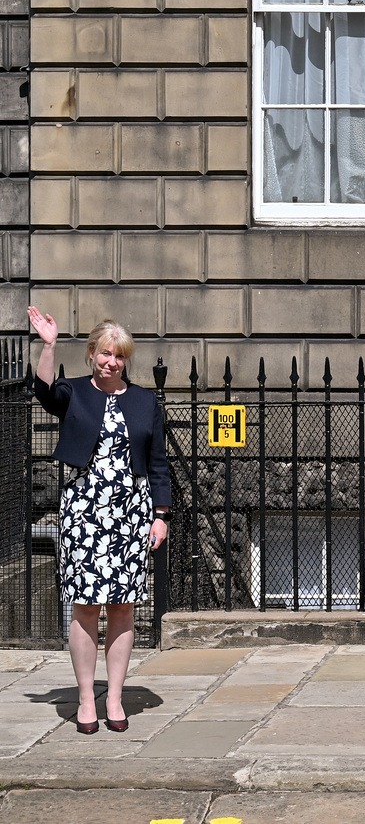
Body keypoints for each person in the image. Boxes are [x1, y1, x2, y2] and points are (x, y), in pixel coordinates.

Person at [25, 308, 171, 735]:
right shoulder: (74, 393)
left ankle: (114, 697)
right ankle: (87, 698)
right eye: (106, 354)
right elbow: (43, 391)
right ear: (92, 354)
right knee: (85, 607)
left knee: (122, 608)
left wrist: (160, 516)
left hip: (130, 512)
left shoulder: (146, 401)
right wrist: (49, 345)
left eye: (120, 356)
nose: (112, 362)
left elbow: (159, 463)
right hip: (84, 509)